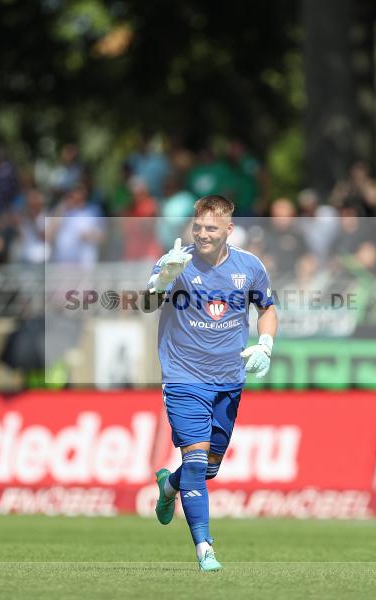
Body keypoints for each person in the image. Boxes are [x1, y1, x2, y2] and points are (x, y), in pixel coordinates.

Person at [143, 195, 278, 572]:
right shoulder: (176, 261)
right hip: (184, 377)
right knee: (197, 456)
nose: (202, 234)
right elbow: (147, 304)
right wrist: (161, 281)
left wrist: (266, 343)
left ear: (228, 230)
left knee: (208, 468)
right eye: (198, 227)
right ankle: (205, 547)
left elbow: (267, 308)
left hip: (229, 380)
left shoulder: (249, 267)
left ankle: (170, 486)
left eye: (211, 228)